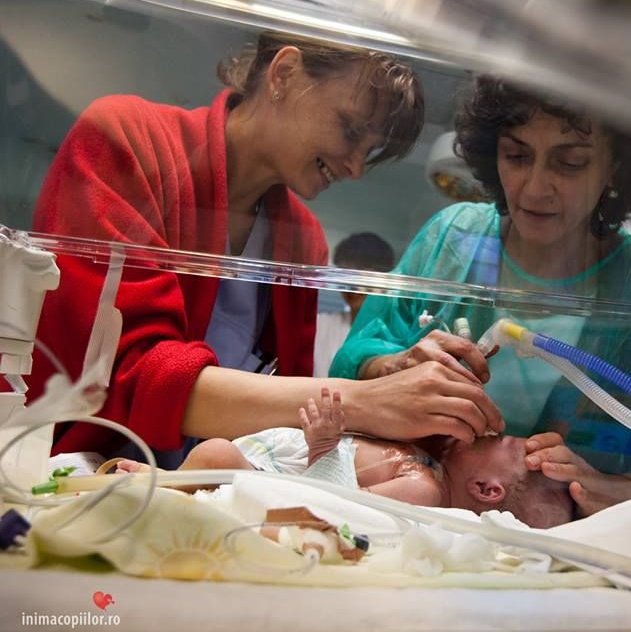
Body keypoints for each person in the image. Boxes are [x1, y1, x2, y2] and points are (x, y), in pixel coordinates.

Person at [24, 32, 503, 465]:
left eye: (370, 151)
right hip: (72, 470)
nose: (356, 167)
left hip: (210, 490)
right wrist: (364, 402)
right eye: (351, 130)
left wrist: (387, 374)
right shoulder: (128, 139)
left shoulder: (302, 241)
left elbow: (286, 425)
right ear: (285, 74)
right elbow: (126, 372)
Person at [331, 75, 631, 517]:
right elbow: (349, 365)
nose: (534, 188)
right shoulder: (452, 240)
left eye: (570, 163)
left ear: (617, 167)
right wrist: (395, 366)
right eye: (516, 155)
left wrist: (621, 488)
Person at [116, 388, 574, 529]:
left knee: (215, 453)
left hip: (277, 484)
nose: (491, 431)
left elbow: (332, 509)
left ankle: (164, 491)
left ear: (486, 489)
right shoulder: (429, 465)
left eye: (503, 442)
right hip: (275, 466)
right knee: (216, 455)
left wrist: (323, 448)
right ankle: (171, 487)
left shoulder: (425, 489)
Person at [314, 232, 395, 377]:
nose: (354, 286)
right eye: (347, 274)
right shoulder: (320, 324)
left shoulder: (393, 332)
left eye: (363, 275)